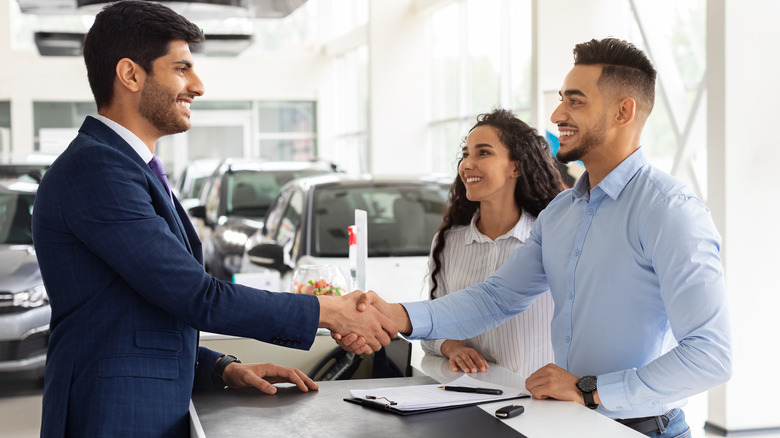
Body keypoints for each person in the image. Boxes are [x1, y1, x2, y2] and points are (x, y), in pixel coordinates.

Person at [31, 2, 395, 436]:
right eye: (182, 68)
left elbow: (132, 315)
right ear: (130, 74)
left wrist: (221, 367)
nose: (198, 86)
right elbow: (194, 295)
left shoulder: (126, 166)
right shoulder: (98, 170)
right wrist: (328, 310)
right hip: (113, 416)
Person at [340, 38, 732, 437]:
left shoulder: (670, 210)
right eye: (562, 99)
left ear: (623, 111)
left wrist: (591, 390)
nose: (557, 114)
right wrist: (396, 316)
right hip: (571, 424)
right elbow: (498, 297)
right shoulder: (561, 212)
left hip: (643, 428)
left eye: (575, 102)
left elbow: (710, 355)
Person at [420, 108, 563, 378]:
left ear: (516, 166)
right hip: (470, 397)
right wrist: (453, 347)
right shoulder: (448, 242)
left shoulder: (552, 238)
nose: (466, 164)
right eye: (465, 155)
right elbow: (432, 327)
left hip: (540, 405)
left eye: (483, 153)